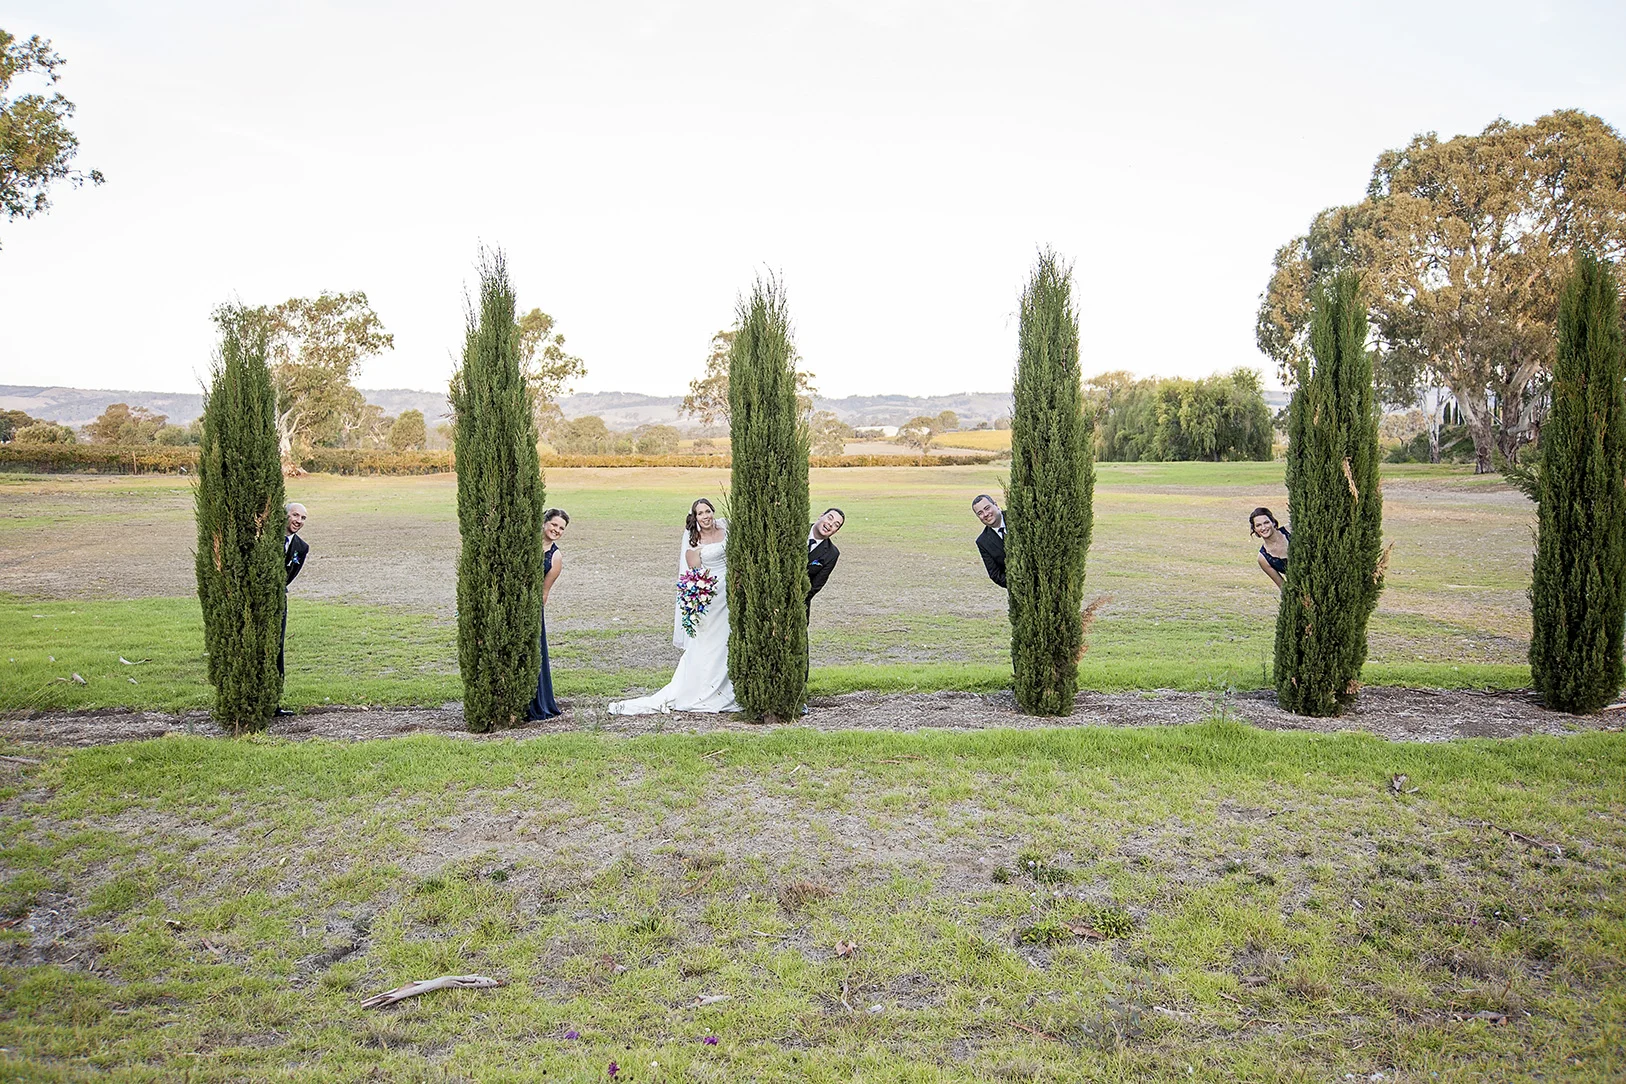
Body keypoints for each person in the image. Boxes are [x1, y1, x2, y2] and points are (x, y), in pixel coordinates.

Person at [609, 498, 740, 714]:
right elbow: (695, 571)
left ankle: (729, 688)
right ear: (695, 518)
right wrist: (701, 591)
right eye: (700, 513)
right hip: (712, 596)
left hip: (732, 591)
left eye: (708, 511)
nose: (706, 516)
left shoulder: (727, 528)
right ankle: (705, 690)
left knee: (728, 639)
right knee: (710, 642)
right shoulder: (693, 542)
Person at [526, 509, 569, 721]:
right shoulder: (526, 541)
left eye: (561, 528)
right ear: (544, 522)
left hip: (532, 608)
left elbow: (544, 593)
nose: (557, 530)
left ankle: (536, 703)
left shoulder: (556, 557)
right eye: (554, 525)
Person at [277, 502, 309, 716]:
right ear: (285, 515)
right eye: (295, 515)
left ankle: (274, 703)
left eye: (303, 518)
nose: (298, 521)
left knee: (277, 649)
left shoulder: (301, 547)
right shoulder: (267, 538)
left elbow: (289, 576)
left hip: (279, 600)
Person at [806, 507, 844, 615]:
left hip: (799, 604)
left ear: (836, 531)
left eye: (836, 525)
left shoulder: (832, 554)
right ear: (821, 516)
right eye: (830, 518)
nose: (830, 524)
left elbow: (815, 586)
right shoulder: (797, 528)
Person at [971, 493, 1006, 588]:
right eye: (980, 513)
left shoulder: (1017, 517)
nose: (985, 514)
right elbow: (995, 575)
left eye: (987, 508)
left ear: (996, 505)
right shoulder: (982, 541)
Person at [1251, 506, 1291, 589]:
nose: (1263, 528)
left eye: (1266, 522)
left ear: (1273, 522)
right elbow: (1283, 587)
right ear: (1255, 530)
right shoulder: (1263, 558)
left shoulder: (1290, 529)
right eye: (1258, 525)